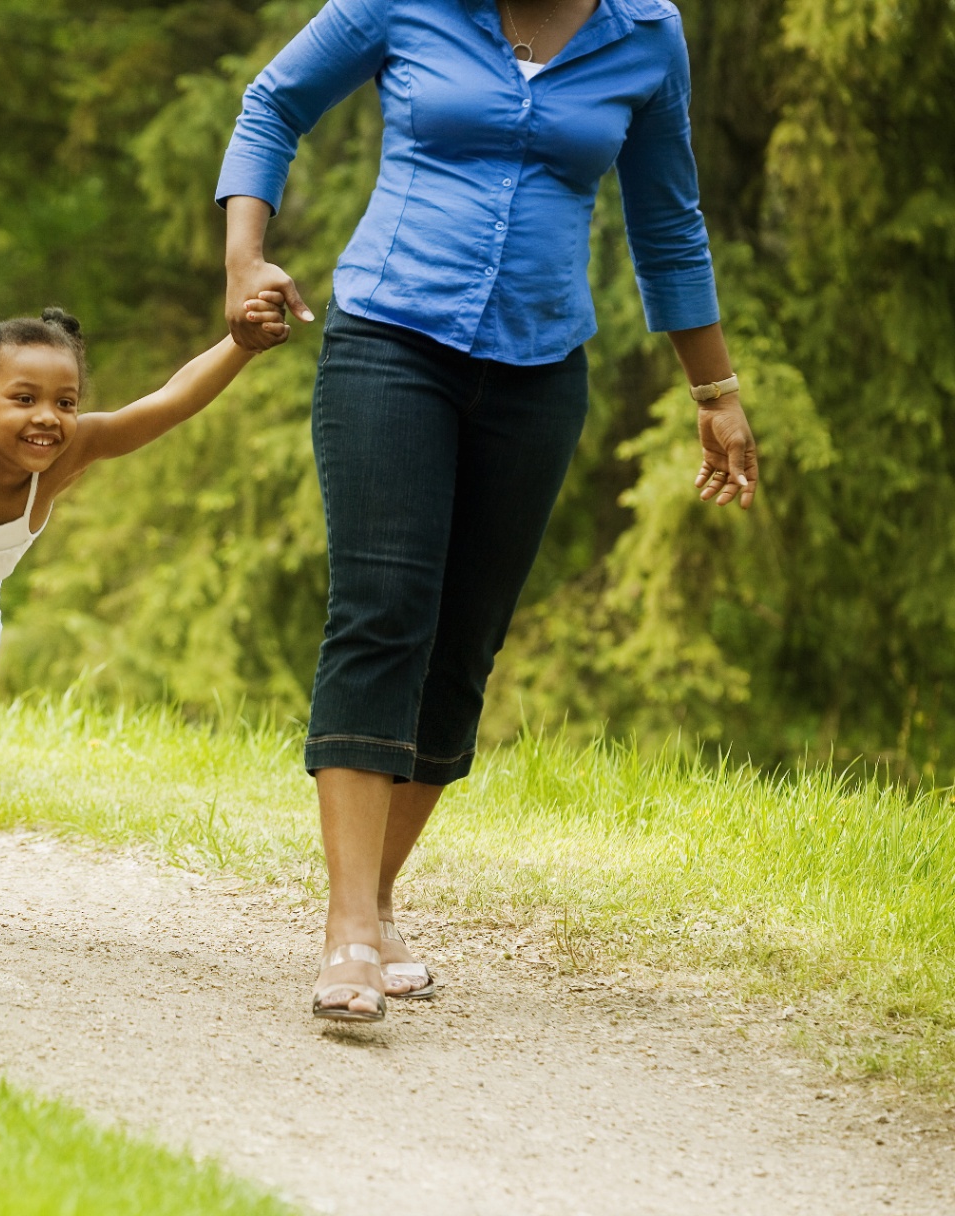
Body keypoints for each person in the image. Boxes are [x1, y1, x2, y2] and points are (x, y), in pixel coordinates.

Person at [215, 0, 760, 1021]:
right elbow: (273, 102)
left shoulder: (645, 34)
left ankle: (377, 897)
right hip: (390, 338)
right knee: (382, 612)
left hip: (538, 367)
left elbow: (668, 220)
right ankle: (344, 933)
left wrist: (714, 392)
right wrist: (245, 257)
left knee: (464, 643)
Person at [0, 294, 288, 931]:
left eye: (65, 402)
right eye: (23, 399)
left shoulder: (70, 455)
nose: (48, 417)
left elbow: (168, 401)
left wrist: (240, 344)